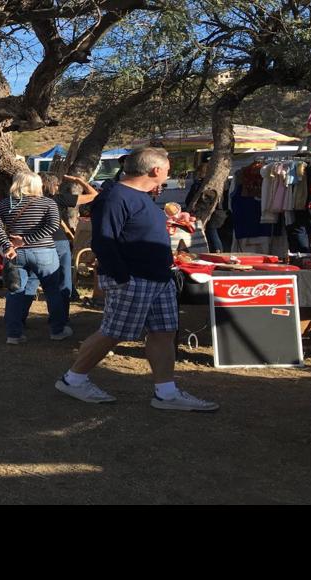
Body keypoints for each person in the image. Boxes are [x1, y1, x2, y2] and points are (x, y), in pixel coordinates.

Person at [53, 147, 218, 412]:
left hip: (159, 277)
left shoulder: (140, 196)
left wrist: (172, 222)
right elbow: (105, 241)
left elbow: (135, 230)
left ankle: (166, 393)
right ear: (155, 170)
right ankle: (73, 380)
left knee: (164, 332)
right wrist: (121, 278)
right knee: (113, 332)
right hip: (133, 278)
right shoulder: (115, 197)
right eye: (167, 168)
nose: (168, 173)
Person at [0, 171, 71, 345]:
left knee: (15, 292)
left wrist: (9, 245)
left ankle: (14, 334)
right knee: (53, 292)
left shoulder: (4, 204)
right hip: (44, 251)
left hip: (15, 253)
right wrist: (28, 240)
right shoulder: (47, 203)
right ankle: (57, 330)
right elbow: (52, 226)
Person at [50, 172, 98, 305]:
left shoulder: (27, 200)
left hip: (35, 241)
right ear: (53, 185)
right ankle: (68, 296)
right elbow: (94, 195)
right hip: (57, 240)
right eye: (57, 184)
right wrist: (79, 180)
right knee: (64, 271)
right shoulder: (58, 199)